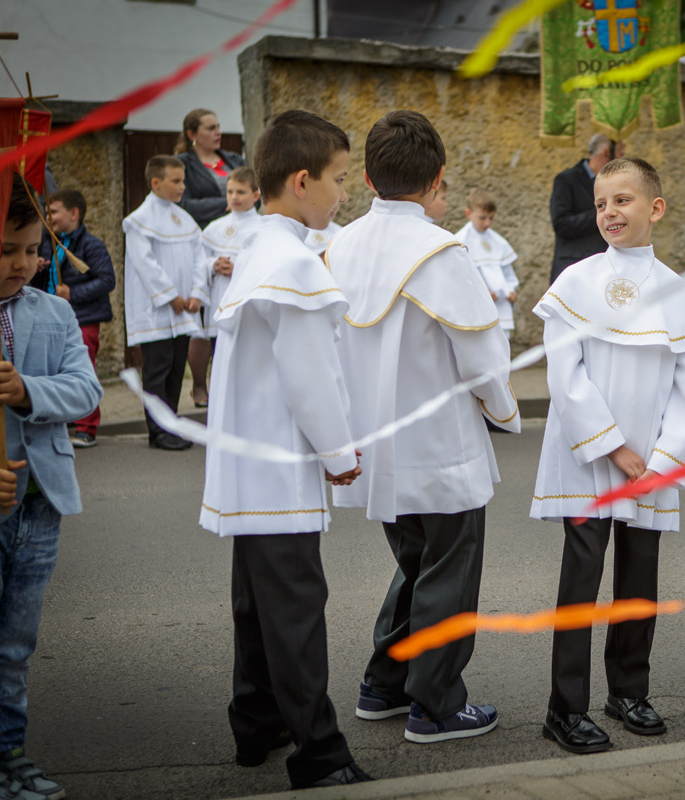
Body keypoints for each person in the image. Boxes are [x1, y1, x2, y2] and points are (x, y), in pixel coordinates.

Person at [329, 110, 519, 744]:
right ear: (438, 177)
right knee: (449, 570)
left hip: (373, 441)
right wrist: (505, 412)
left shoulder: (339, 243)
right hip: (439, 444)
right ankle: (435, 705)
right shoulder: (443, 251)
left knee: (415, 563)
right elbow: (482, 358)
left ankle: (384, 683)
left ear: (365, 176)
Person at [198, 109, 371, 789]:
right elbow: (311, 379)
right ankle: (320, 753)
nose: (345, 192)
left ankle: (257, 722)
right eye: (338, 178)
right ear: (302, 181)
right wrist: (341, 454)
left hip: (248, 463)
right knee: (296, 608)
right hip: (278, 465)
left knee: (257, 602)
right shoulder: (294, 262)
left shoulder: (260, 250)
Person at [532, 157, 685, 754]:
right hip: (590, 458)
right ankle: (565, 708)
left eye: (624, 200)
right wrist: (613, 447)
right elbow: (566, 375)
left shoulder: (678, 294)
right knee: (580, 582)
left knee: (640, 577)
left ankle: (628, 690)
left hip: (650, 465)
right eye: (602, 203)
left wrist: (660, 459)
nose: (610, 212)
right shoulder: (576, 282)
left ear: (655, 209)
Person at [0, 172, 103, 800]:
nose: (21, 262)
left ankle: (9, 753)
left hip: (40, 506)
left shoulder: (54, 310)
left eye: (32, 249)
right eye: (6, 249)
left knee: (14, 644)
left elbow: (85, 389)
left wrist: (30, 391)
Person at [122, 155, 206, 451]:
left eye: (183, 180)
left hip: (184, 309)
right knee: (157, 372)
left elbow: (199, 257)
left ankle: (170, 425)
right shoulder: (138, 221)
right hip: (158, 310)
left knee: (174, 369)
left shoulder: (184, 219)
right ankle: (157, 432)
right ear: (156, 183)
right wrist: (171, 296)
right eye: (176, 181)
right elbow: (146, 265)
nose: (182, 186)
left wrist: (196, 293)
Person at [32, 188, 116, 448]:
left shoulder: (91, 245)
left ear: (74, 213)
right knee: (54, 370)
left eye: (53, 212)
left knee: (83, 369)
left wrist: (73, 292)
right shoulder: (46, 242)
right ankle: (65, 417)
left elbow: (106, 280)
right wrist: (36, 268)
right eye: (47, 212)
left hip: (83, 318)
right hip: (51, 318)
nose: (49, 217)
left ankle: (87, 427)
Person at [176, 108, 247, 406]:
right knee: (203, 321)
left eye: (218, 126)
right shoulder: (184, 164)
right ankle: (200, 385)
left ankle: (230, 381)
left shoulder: (234, 160)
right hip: (203, 243)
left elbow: (250, 189)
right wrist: (228, 202)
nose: (217, 132)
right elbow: (186, 204)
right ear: (192, 135)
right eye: (209, 128)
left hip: (236, 241)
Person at [198, 167, 263, 352]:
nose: (234, 197)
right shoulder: (214, 228)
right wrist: (213, 265)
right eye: (230, 192)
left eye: (241, 192)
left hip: (248, 306)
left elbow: (267, 265)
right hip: (219, 301)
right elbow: (198, 261)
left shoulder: (262, 227)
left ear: (255, 195)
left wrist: (239, 269)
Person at [548, 134, 612, 282]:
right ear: (607, 153)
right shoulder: (566, 180)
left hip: (604, 270)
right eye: (621, 155)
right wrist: (602, 212)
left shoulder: (611, 184)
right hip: (573, 268)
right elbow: (561, 224)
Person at [455, 188, 519, 335]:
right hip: (476, 309)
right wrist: (481, 292)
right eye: (482, 218)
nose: (488, 223)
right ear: (468, 214)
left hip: (500, 305)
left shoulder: (499, 242)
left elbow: (508, 274)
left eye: (491, 218)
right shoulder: (460, 241)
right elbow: (460, 276)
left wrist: (511, 290)